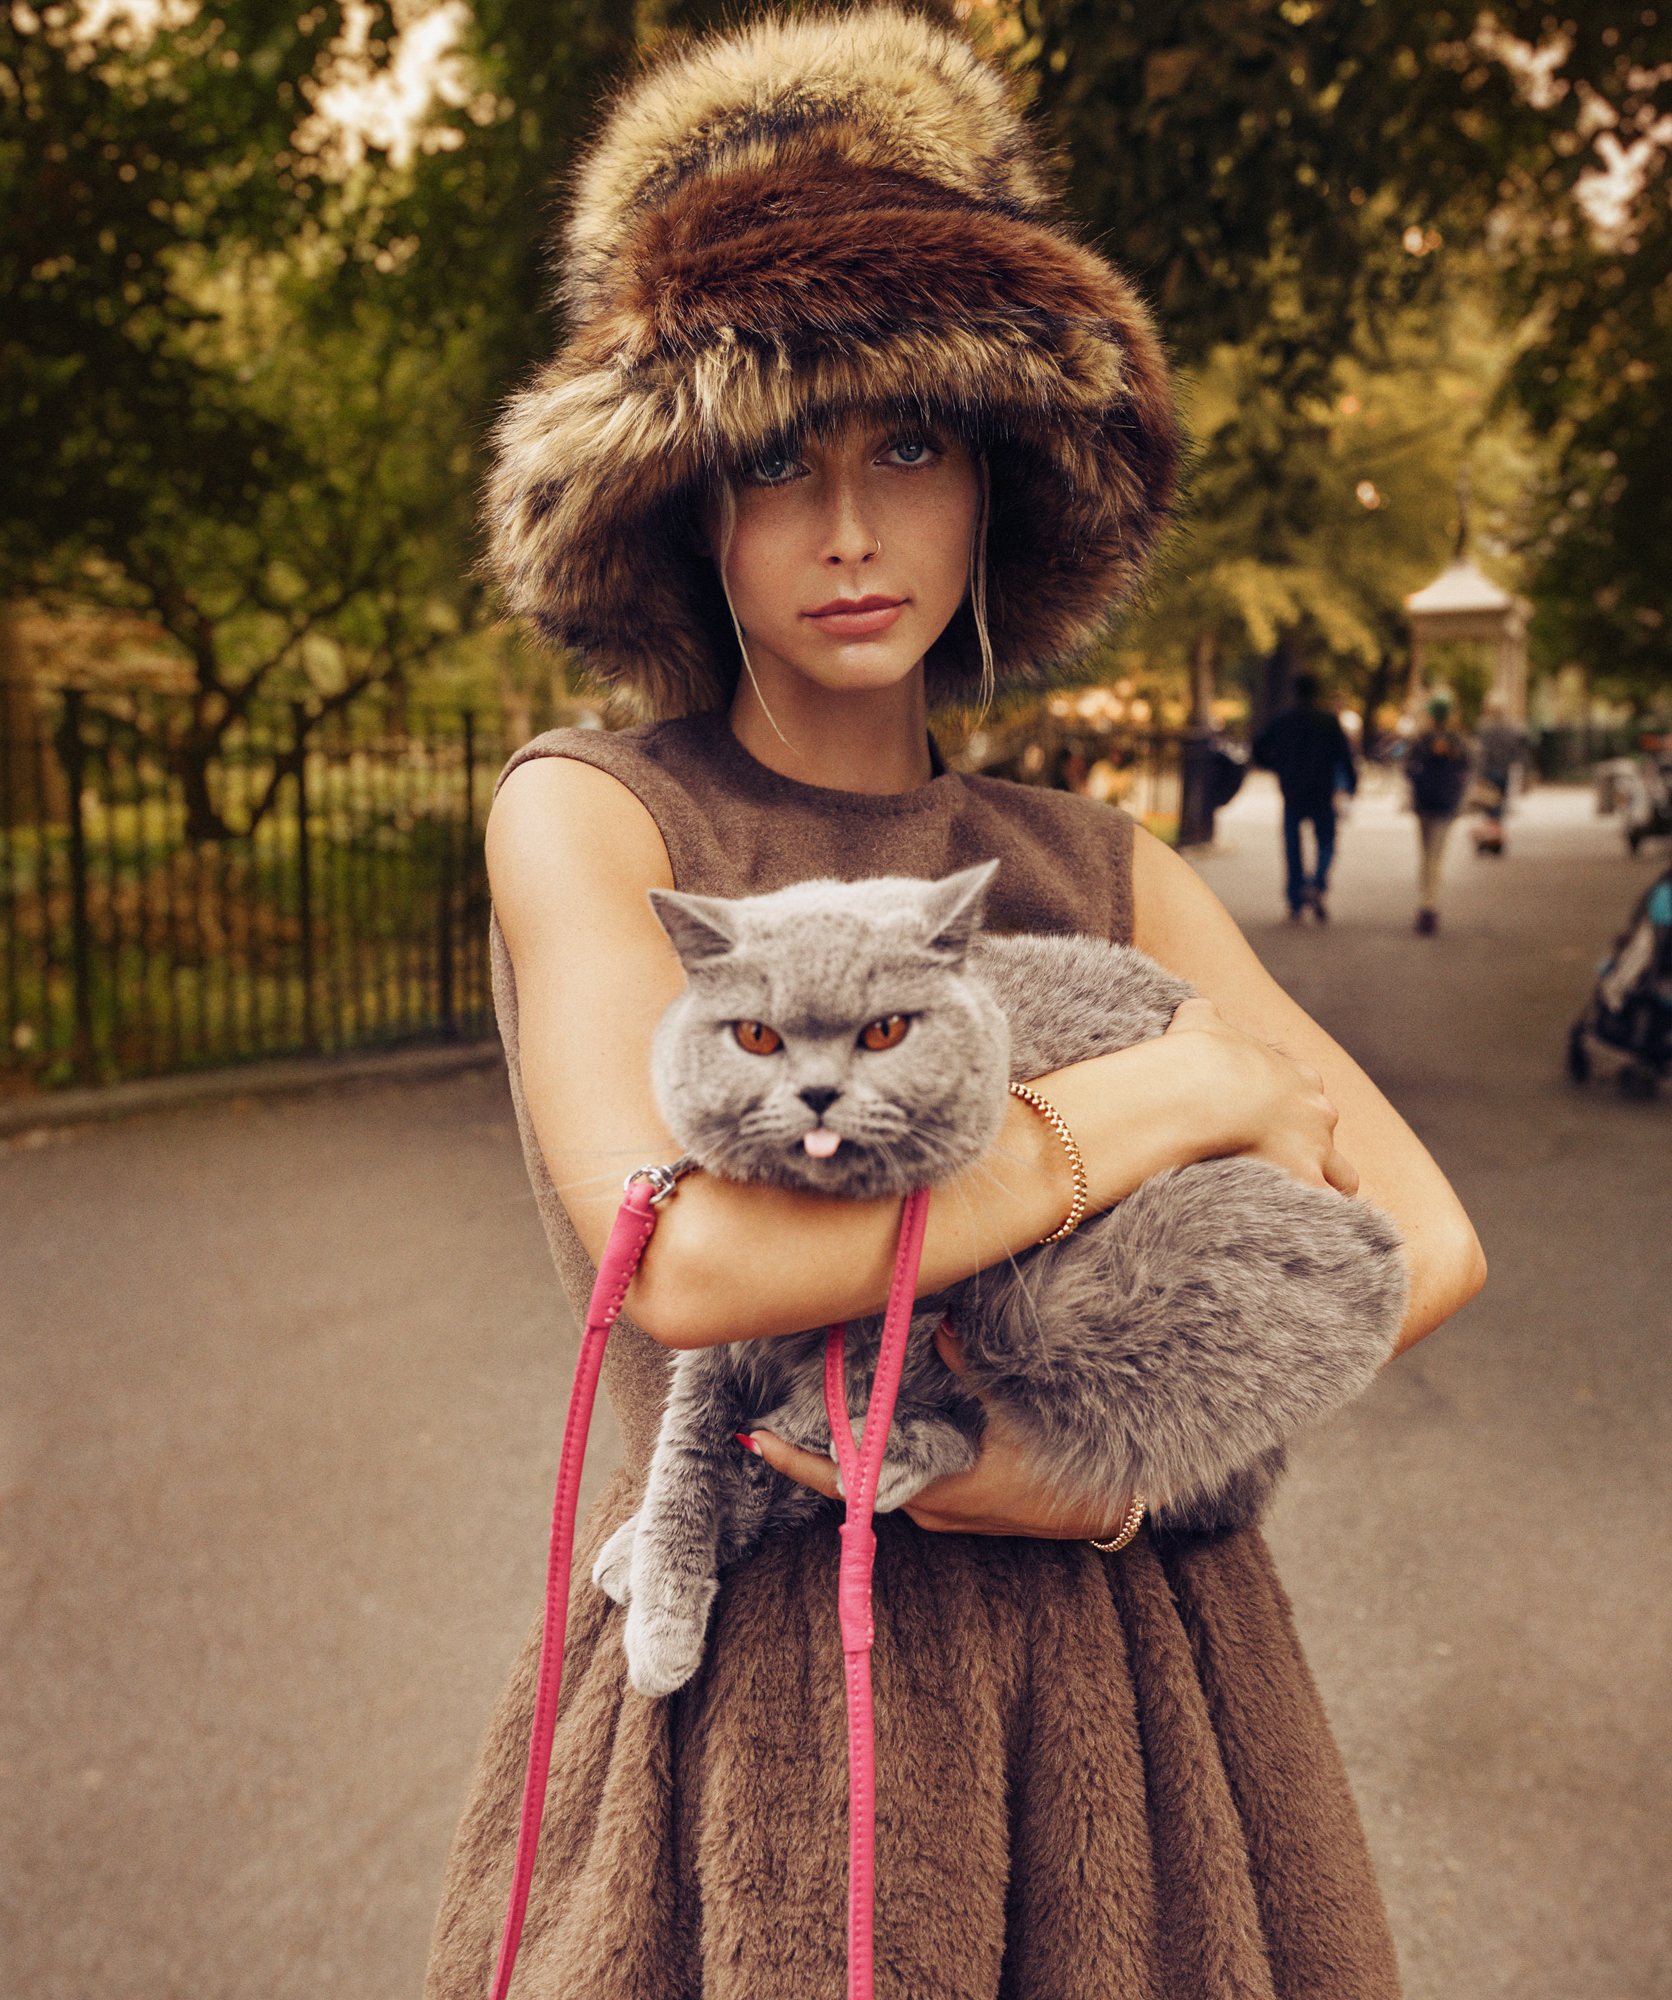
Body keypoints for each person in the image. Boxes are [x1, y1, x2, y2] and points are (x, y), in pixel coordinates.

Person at [426, 16, 1486, 1998]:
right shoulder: (596, 814)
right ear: (686, 508)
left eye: (905, 444)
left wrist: (1098, 1474)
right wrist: (1169, 1101)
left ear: (993, 478)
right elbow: (699, 1260)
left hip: (1130, 1691)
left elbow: (1421, 1240)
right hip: (750, 1699)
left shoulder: (1106, 865)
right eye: (773, 460)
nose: (845, 525)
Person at [1253, 673, 1357, 921]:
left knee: (1292, 846)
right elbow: (1344, 755)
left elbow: (1258, 748)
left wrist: (1276, 766)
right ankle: (1317, 883)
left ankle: (1296, 898)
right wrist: (1351, 784)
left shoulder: (1282, 720)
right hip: (1322, 791)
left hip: (1292, 790)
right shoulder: (1328, 721)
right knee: (1326, 843)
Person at [1404, 691, 1474, 933]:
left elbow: (1407, 768)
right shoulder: (1458, 741)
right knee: (1435, 855)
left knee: (1427, 854)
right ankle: (1428, 904)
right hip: (1444, 804)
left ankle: (1426, 901)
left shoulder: (1421, 739)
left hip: (1425, 802)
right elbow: (1468, 769)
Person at [1470, 692, 1530, 854]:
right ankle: (1495, 837)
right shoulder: (1512, 729)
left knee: (1489, 806)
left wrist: (1475, 775)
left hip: (1488, 773)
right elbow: (1520, 754)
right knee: (1498, 806)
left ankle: (1493, 837)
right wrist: (1525, 775)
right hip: (1503, 773)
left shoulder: (1483, 728)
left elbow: (1479, 754)